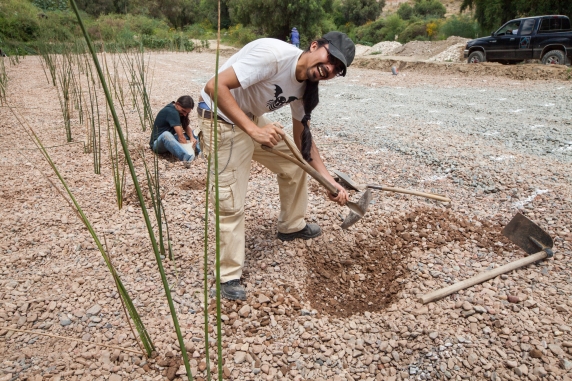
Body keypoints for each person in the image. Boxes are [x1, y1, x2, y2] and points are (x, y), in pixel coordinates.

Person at [197, 32, 354, 300]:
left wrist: (328, 180)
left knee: (294, 165)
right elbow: (214, 86)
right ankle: (227, 277)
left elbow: (302, 137)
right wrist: (253, 131)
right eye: (331, 59)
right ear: (315, 46)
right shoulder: (273, 56)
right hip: (221, 118)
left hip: (249, 119)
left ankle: (291, 226)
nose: (330, 69)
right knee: (230, 200)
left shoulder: (306, 87)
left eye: (337, 70)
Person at [149, 95, 200, 166]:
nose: (185, 114)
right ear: (177, 104)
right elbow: (181, 137)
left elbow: (186, 126)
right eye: (183, 111)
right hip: (157, 144)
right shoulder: (171, 111)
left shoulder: (178, 111)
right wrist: (187, 149)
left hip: (170, 139)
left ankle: (200, 153)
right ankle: (187, 157)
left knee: (195, 133)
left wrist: (192, 137)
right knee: (166, 134)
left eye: (187, 113)